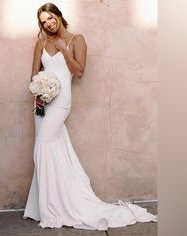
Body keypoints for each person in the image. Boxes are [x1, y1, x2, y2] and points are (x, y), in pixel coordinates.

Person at [23, 2, 157, 230]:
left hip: (61, 102)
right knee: (51, 149)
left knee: (44, 146)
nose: (48, 23)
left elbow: (80, 72)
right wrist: (38, 90)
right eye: (44, 22)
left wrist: (65, 50)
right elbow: (35, 74)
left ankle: (54, 207)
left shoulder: (77, 40)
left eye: (50, 18)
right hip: (42, 104)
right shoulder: (41, 42)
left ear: (58, 15)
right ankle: (45, 204)